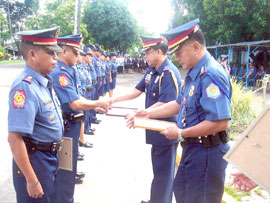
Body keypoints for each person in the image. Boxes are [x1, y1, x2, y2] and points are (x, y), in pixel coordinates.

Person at [127, 19, 232, 203]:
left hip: (207, 152)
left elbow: (220, 122)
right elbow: (178, 103)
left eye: (179, 52)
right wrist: (148, 113)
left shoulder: (210, 74)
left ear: (196, 47)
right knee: (182, 191)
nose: (176, 58)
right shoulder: (194, 73)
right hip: (193, 148)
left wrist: (181, 132)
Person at [111, 36, 181, 203]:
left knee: (164, 174)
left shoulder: (168, 73)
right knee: (158, 170)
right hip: (154, 128)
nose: (145, 57)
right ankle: (155, 200)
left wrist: (141, 113)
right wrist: (112, 100)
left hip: (165, 130)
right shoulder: (152, 70)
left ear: (159, 51)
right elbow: (136, 91)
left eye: (148, 53)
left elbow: (167, 103)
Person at [50, 34, 110, 203]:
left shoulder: (69, 69)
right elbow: (74, 103)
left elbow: (77, 98)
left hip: (72, 126)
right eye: (75, 53)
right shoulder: (60, 73)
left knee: (69, 170)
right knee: (64, 174)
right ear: (64, 51)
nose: (79, 56)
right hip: (67, 127)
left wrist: (94, 105)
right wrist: (97, 102)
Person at [8, 26, 63, 202]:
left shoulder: (44, 82)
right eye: (50, 53)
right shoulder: (25, 87)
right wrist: (31, 181)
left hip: (48, 158)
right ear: (32, 54)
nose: (56, 58)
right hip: (36, 161)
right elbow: (14, 138)